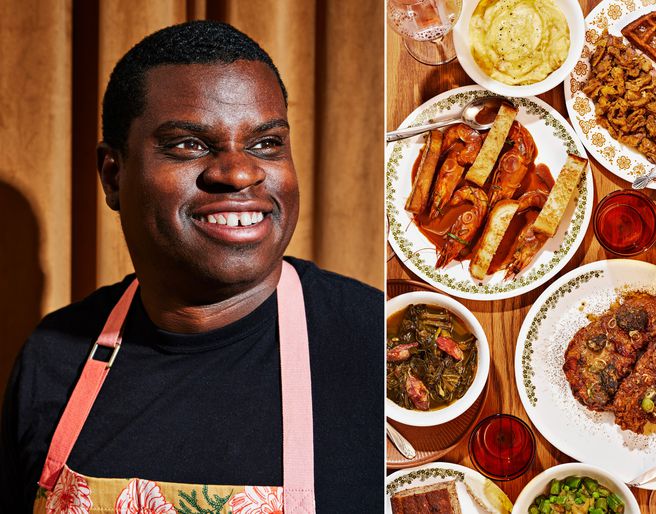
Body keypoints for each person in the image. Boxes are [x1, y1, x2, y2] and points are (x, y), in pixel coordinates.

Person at [0, 21, 383, 513]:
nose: (241, 171)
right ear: (113, 176)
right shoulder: (53, 358)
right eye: (190, 144)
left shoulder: (373, 345)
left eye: (266, 143)